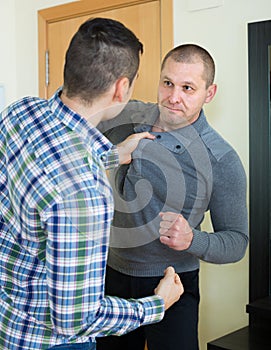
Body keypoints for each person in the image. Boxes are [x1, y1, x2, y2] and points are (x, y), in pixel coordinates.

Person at [0, 18, 184, 350]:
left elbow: (49, 174)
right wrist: (157, 304)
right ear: (121, 88)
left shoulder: (20, 113)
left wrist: (112, 155)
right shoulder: (87, 195)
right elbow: (75, 320)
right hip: (51, 343)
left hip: (7, 325)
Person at [96, 44, 249, 350]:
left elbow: (237, 241)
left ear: (209, 93)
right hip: (110, 279)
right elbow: (73, 123)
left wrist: (193, 240)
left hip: (173, 284)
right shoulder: (127, 115)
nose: (173, 97)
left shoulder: (221, 159)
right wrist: (112, 154)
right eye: (167, 83)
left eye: (188, 88)